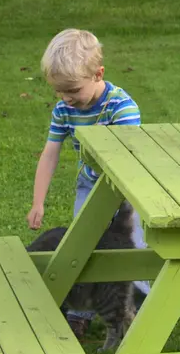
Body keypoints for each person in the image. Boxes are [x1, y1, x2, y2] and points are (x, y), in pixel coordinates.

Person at [28, 28, 146, 274]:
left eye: (72, 90)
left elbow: (127, 158)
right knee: (84, 244)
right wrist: (38, 202)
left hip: (126, 189)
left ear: (97, 74)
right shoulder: (64, 110)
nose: (66, 98)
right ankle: (84, 307)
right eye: (59, 91)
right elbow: (50, 154)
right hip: (89, 184)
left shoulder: (122, 109)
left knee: (131, 247)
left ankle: (136, 302)